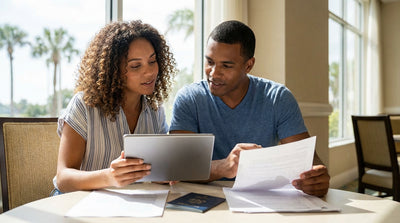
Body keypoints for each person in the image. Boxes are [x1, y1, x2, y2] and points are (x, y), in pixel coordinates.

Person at [169, 20, 330, 197]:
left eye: (226, 65)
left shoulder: (278, 98)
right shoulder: (189, 98)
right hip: (203, 197)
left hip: (262, 198)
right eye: (210, 62)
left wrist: (316, 177)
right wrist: (223, 167)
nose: (214, 73)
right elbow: (178, 166)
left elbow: (308, 161)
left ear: (248, 65)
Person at [53, 20, 177, 194]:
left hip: (127, 203)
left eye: (152, 61)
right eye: (135, 66)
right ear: (112, 70)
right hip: (77, 202)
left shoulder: (155, 110)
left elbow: (154, 169)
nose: (149, 72)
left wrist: (162, 173)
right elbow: (63, 179)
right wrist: (109, 177)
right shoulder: (84, 105)